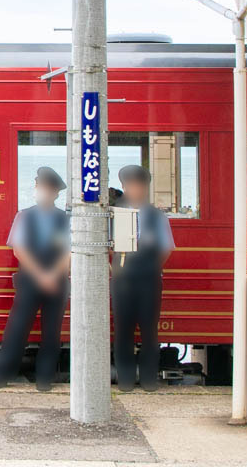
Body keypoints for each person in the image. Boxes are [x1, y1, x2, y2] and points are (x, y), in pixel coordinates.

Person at [0, 166, 70, 392]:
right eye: (41, 187)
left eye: (48, 189)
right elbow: (19, 250)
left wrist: (52, 275)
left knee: (51, 332)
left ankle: (45, 380)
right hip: (30, 281)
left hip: (57, 282)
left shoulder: (66, 219)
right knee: (16, 330)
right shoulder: (23, 216)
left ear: (56, 193)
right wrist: (42, 275)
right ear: (36, 187)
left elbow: (70, 252)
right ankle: (0, 377)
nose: (44, 191)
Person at [112, 165, 173, 392]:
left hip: (149, 280)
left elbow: (166, 248)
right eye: (132, 186)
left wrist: (150, 267)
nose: (136, 190)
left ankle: (148, 380)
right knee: (123, 330)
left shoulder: (157, 217)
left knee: (149, 330)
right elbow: (109, 248)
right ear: (125, 188)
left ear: (146, 189)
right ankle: (125, 380)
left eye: (140, 186)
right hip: (122, 281)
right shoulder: (115, 213)